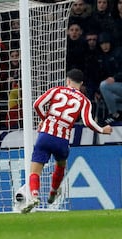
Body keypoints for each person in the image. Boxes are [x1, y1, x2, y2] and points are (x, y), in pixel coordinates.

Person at [22, 69, 113, 213]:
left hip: (45, 135)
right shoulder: (84, 100)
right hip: (62, 140)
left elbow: (37, 104)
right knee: (61, 164)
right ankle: (53, 191)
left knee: (35, 171)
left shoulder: (56, 90)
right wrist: (102, 130)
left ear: (67, 81)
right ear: (81, 84)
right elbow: (88, 122)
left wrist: (45, 118)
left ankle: (34, 196)